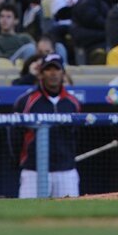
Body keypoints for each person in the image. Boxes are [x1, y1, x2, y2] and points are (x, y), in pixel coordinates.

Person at [12, 53, 82, 198]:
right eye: (48, 69)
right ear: (41, 73)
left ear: (63, 73)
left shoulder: (72, 103)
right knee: (27, 215)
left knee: (70, 216)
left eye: (56, 69)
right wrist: (23, 160)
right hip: (34, 170)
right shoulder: (26, 101)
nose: (53, 73)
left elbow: (78, 135)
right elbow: (15, 135)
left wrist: (68, 157)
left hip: (65, 170)